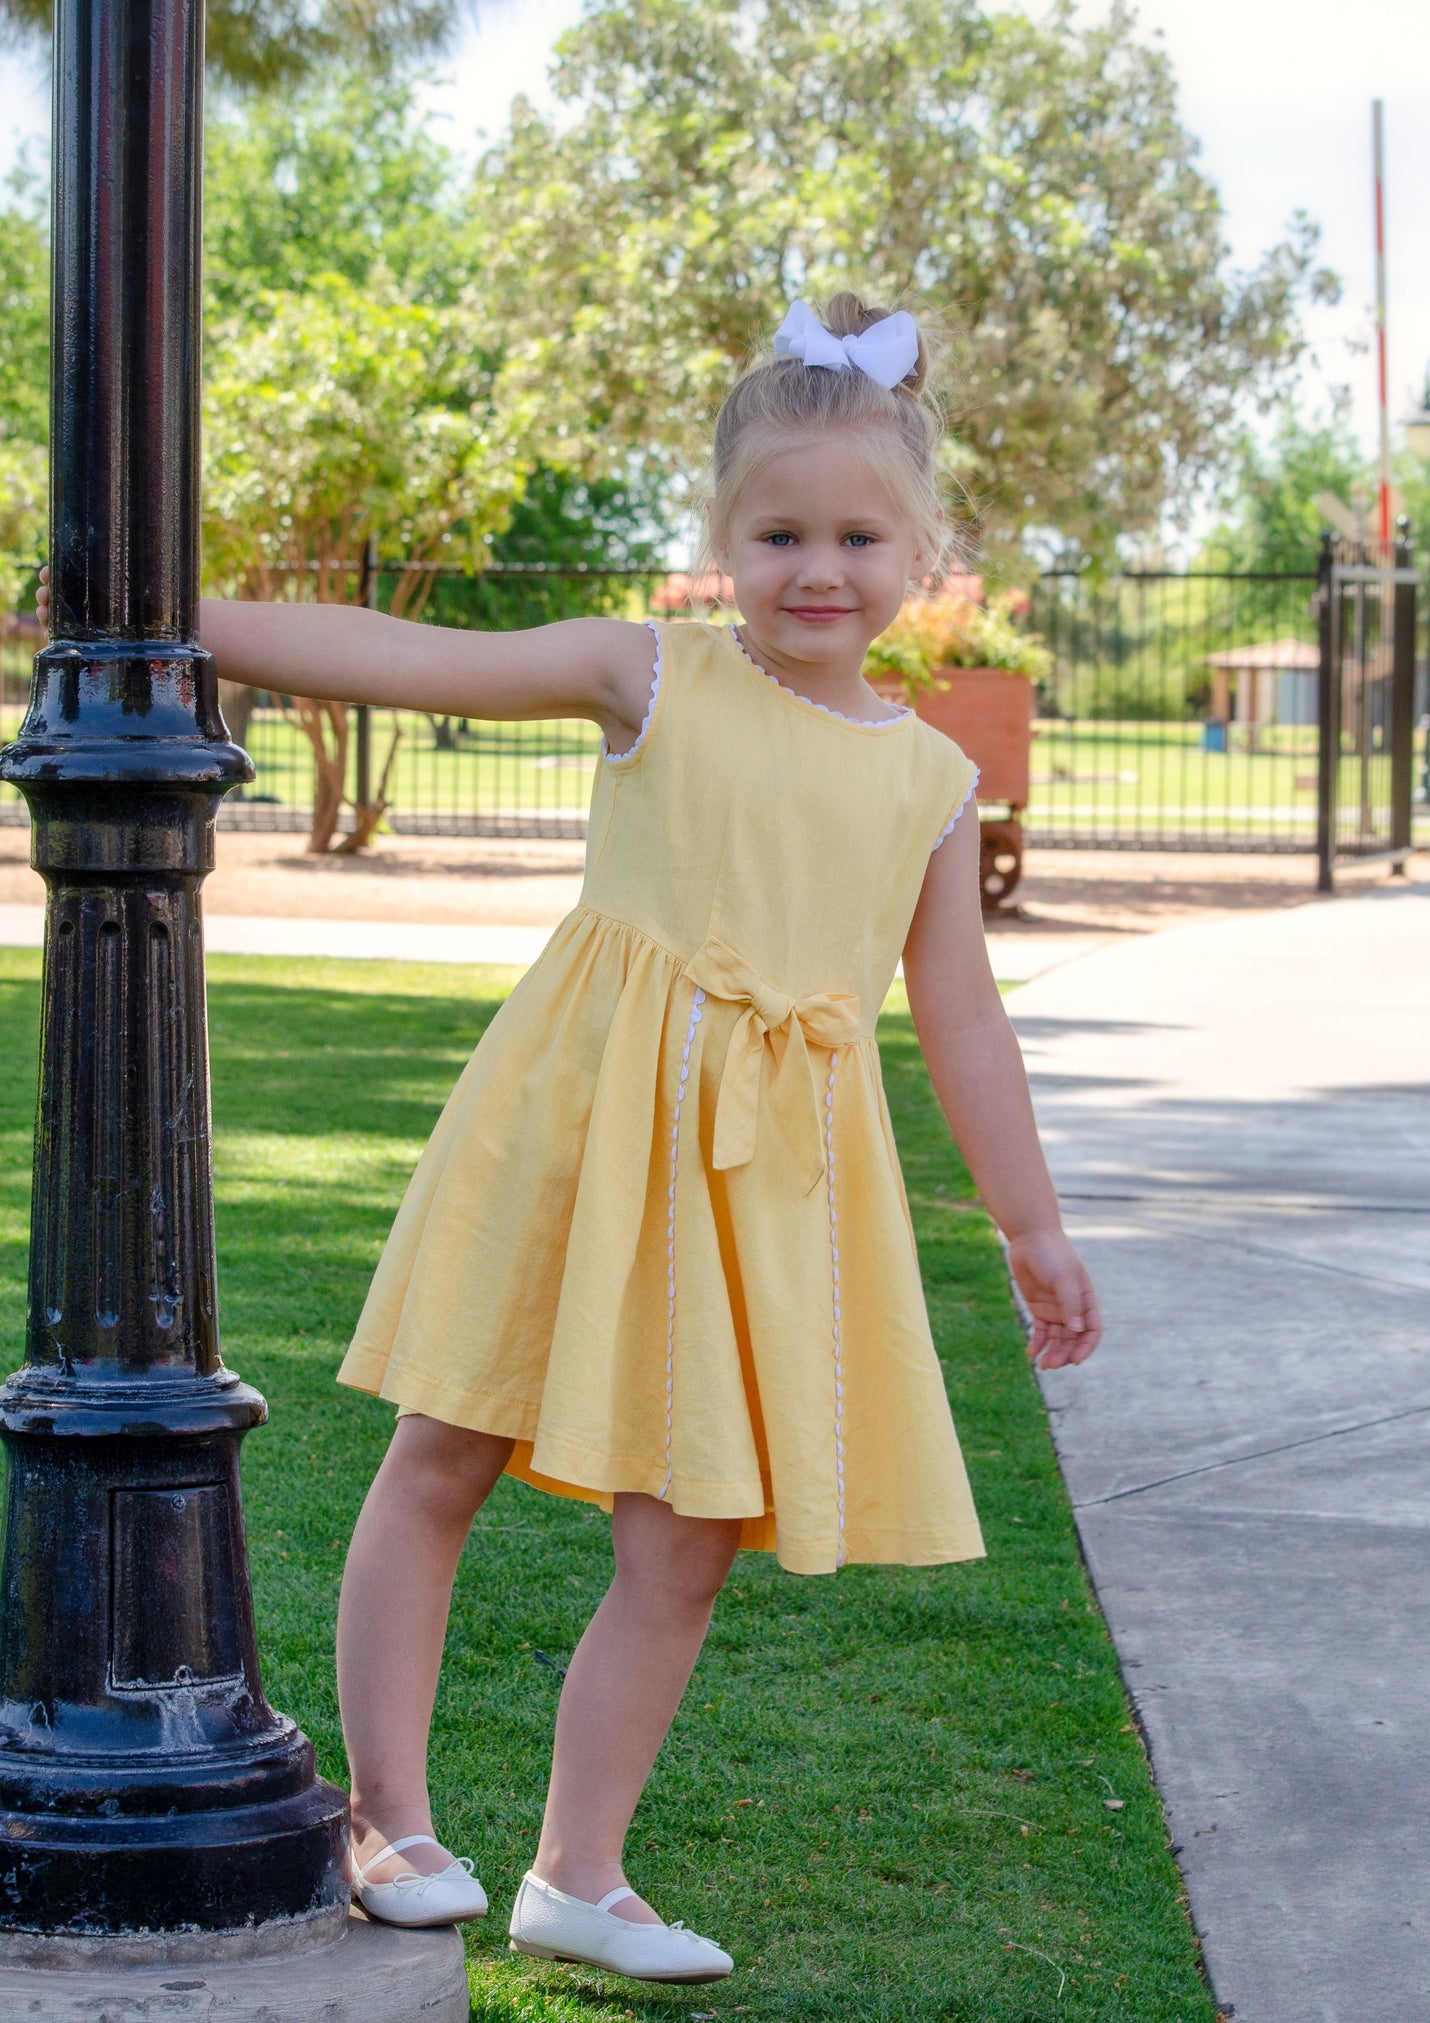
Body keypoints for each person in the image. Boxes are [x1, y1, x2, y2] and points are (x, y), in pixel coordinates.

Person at [37, 293, 1102, 1985]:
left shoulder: (928, 780)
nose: (813, 568)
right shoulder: (648, 669)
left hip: (763, 1178)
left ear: (925, 553)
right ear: (718, 540)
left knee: (682, 1540)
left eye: (853, 536)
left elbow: (960, 1018)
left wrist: (1028, 1223)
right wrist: (154, 619)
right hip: (584, 1118)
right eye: (775, 531)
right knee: (444, 1453)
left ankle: (577, 1875)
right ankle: (388, 1815)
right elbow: (410, 658)